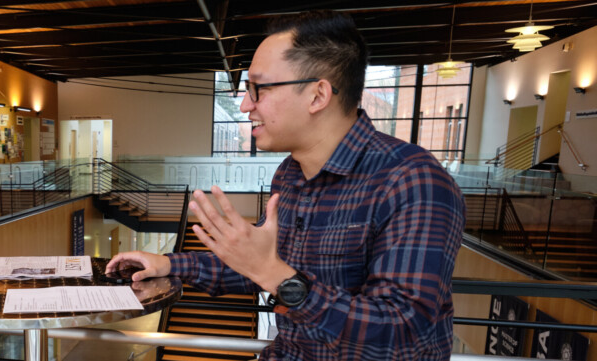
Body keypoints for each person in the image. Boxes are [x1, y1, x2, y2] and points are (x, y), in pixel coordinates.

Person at [107, 10, 465, 360]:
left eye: (258, 88)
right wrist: (168, 264)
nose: (246, 104)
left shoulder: (412, 181)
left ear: (317, 96)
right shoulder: (290, 175)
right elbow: (257, 263)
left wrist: (274, 275)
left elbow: (401, 330)